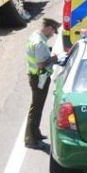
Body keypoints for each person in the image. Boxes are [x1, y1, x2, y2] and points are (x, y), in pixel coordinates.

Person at [24, 17, 61, 149]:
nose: (52, 35)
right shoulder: (39, 42)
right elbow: (41, 64)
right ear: (49, 28)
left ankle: (36, 133)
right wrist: (53, 58)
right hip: (39, 77)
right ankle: (30, 139)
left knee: (38, 108)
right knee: (36, 108)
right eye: (52, 32)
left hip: (36, 76)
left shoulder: (35, 35)